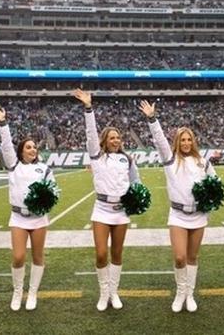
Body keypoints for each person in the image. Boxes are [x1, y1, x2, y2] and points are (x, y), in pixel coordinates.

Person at [140, 99, 215, 313]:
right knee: (180, 256)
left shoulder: (203, 161)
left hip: (199, 215)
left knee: (192, 257)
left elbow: (215, 184)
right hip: (178, 215)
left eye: (189, 139)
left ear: (193, 142)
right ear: (177, 142)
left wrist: (209, 197)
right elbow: (160, 140)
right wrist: (152, 119)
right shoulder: (170, 159)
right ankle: (180, 291)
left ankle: (190, 294)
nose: (185, 143)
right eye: (182, 140)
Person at [73, 89, 140, 311]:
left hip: (121, 212)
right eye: (112, 138)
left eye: (118, 138)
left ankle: (114, 292)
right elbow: (90, 134)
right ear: (104, 140)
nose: (116, 140)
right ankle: (103, 293)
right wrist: (88, 108)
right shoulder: (97, 156)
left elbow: (136, 183)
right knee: (101, 253)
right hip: (101, 209)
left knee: (117, 253)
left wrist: (136, 199)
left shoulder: (127, 159)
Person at [0, 106, 54, 311]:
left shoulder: (44, 169)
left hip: (38, 218)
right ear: (21, 151)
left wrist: (46, 200)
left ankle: (33, 292)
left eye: (34, 147)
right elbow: (6, 146)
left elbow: (52, 190)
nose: (33, 150)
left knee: (37, 256)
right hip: (18, 218)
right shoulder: (13, 166)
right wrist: (3, 124)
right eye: (28, 147)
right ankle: (18, 291)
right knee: (18, 257)